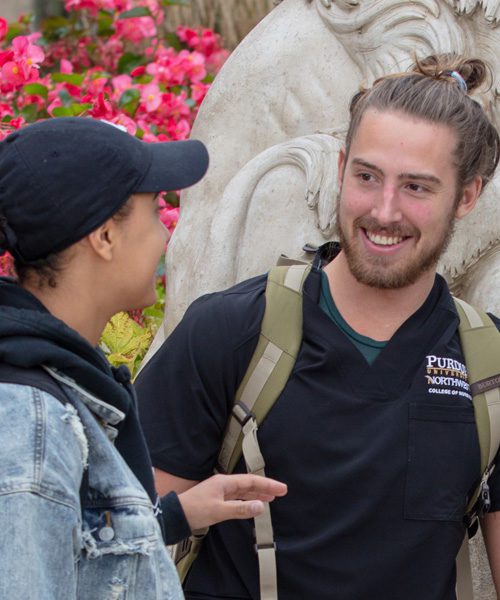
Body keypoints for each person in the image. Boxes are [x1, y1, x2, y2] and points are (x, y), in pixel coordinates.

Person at [135, 54, 500, 600]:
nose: (384, 210)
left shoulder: (488, 368)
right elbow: (123, 544)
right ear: (339, 168)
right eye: (367, 176)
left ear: (467, 196)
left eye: (417, 188)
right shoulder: (232, 332)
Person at [0, 117, 287, 599]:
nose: (164, 236)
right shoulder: (33, 429)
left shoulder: (57, 373)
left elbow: (66, 551)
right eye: (153, 211)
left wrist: (171, 515)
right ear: (104, 238)